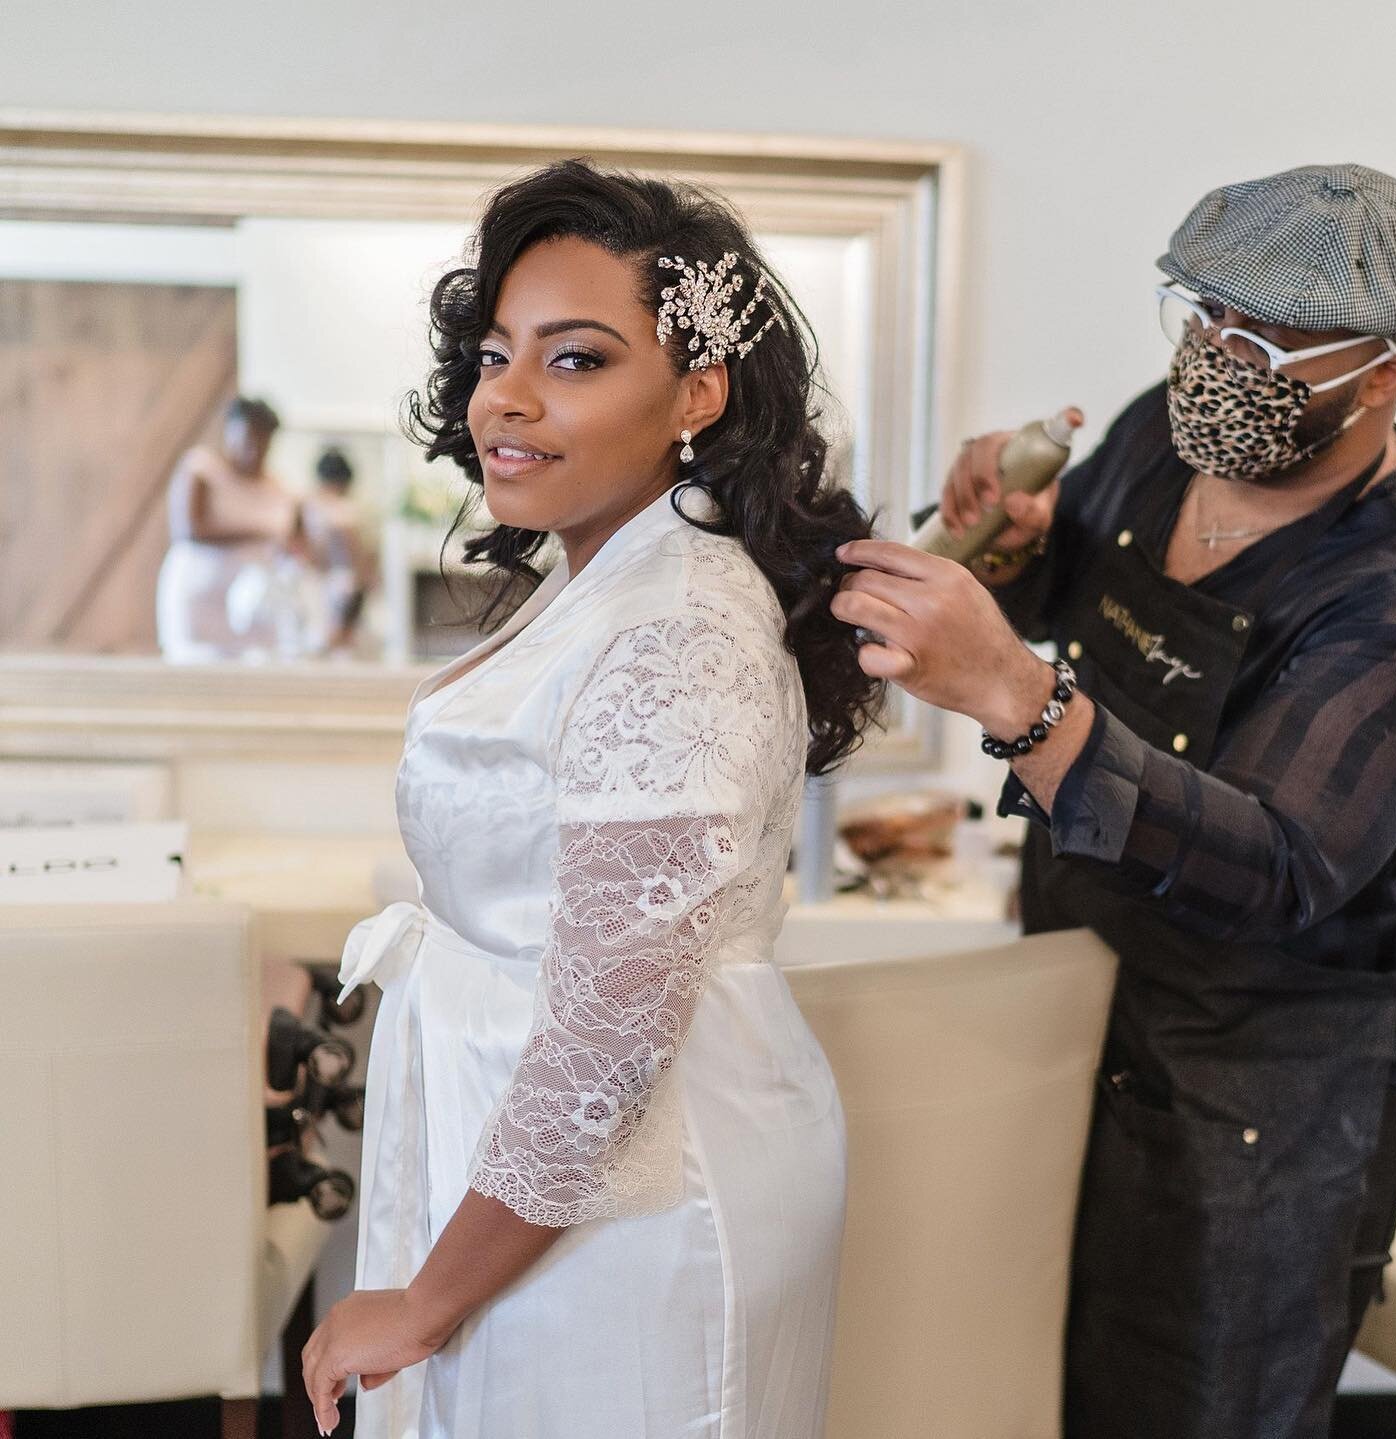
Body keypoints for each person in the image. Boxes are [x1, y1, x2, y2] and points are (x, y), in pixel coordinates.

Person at [829, 163, 1396, 1438]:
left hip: (1261, 1103)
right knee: (1039, 1377)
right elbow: (1074, 595)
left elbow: (1276, 863)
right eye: (1207, 317)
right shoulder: (1166, 439)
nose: (1223, 357)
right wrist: (1005, 545)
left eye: (1271, 340)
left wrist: (1014, 697)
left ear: (1385, 374)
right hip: (1080, 999)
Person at [300, 159, 883, 1438]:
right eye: (498, 352)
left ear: (696, 390)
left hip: (636, 1192)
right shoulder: (615, 577)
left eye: (575, 360)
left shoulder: (677, 619)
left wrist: (422, 1302)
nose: (506, 396)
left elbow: (612, 1033)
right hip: (552, 1162)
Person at [156, 396, 305, 660]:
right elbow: (190, 529)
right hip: (198, 597)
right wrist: (259, 533)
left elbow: (296, 544)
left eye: (263, 442)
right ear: (230, 432)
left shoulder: (280, 490)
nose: (254, 450)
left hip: (256, 608)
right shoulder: (202, 469)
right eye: (247, 439)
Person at [303, 446, 375, 652]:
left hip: (335, 590)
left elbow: (359, 568)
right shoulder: (344, 511)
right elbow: (362, 567)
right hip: (333, 589)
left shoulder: (317, 509)